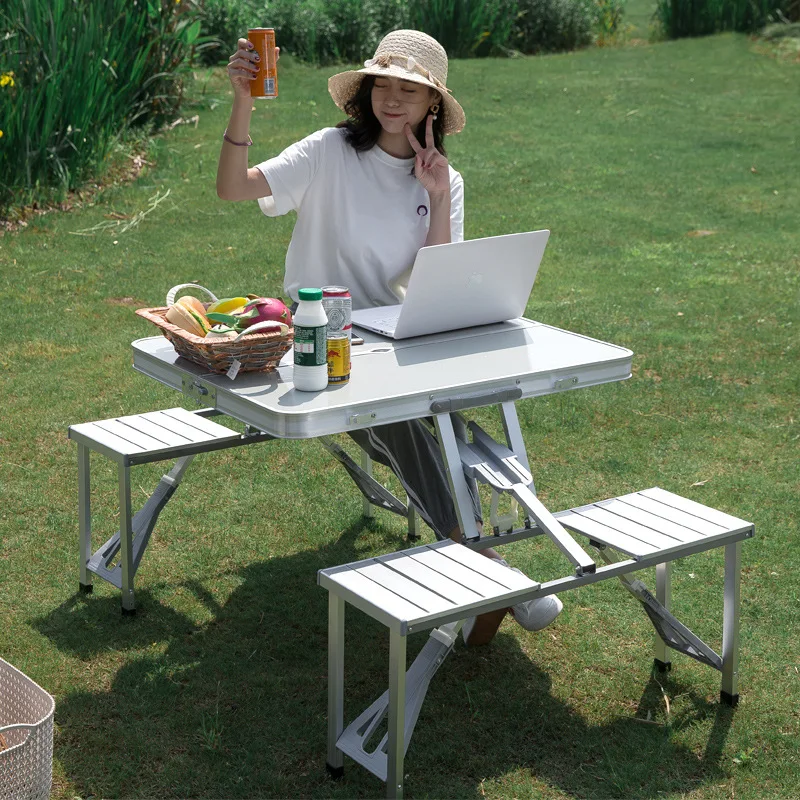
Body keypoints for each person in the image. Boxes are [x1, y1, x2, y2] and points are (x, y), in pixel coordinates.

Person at [216, 29, 562, 645]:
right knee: (403, 424)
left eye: (411, 90)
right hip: (322, 334)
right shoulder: (327, 152)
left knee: (451, 419)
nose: (394, 100)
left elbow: (439, 280)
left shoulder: (444, 179)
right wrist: (243, 99)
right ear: (367, 91)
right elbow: (233, 186)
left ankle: (481, 567)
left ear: (433, 106)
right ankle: (486, 564)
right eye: (384, 85)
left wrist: (437, 197)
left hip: (397, 333)